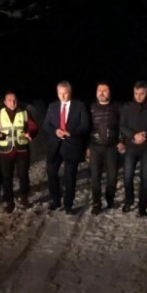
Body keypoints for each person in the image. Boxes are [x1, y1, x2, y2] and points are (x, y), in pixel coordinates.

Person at [43, 81, 90, 214]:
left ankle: (68, 204)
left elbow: (85, 125)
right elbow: (46, 125)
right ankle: (55, 200)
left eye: (65, 94)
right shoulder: (52, 106)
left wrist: (72, 133)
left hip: (72, 145)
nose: (63, 97)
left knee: (69, 176)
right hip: (55, 146)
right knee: (51, 173)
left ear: (70, 92)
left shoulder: (79, 106)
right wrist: (55, 131)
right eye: (60, 94)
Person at [0, 91, 39, 213]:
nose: (13, 102)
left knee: (23, 175)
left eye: (14, 100)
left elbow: (33, 127)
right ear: (5, 102)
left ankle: (24, 197)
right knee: (6, 178)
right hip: (5, 152)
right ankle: (9, 201)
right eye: (10, 100)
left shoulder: (25, 113)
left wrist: (30, 133)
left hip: (22, 150)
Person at [120, 81, 147, 217]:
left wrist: (146, 134)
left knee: (145, 178)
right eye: (136, 94)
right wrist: (133, 135)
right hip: (131, 147)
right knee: (128, 176)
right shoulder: (128, 107)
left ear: (146, 92)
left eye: (141, 94)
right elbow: (122, 125)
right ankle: (129, 200)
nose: (139, 96)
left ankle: (142, 207)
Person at [87, 81, 124, 215]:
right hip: (95, 146)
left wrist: (122, 141)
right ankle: (96, 203)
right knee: (95, 176)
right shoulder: (91, 107)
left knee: (112, 176)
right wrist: (87, 146)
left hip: (112, 147)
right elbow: (87, 127)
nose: (101, 93)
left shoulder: (117, 107)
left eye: (105, 90)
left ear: (110, 92)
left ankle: (110, 198)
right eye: (99, 91)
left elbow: (123, 125)